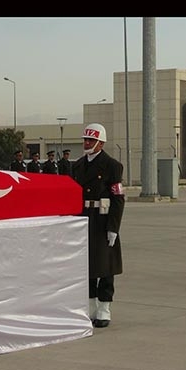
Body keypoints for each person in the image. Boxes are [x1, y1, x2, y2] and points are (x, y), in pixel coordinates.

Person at [72, 123, 125, 328]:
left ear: (101, 143)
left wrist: (113, 227)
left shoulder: (112, 166)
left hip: (102, 220)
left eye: (91, 140)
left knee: (105, 266)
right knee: (86, 266)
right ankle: (90, 306)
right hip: (83, 218)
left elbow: (118, 198)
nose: (87, 143)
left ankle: (104, 308)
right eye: (85, 140)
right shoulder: (77, 165)